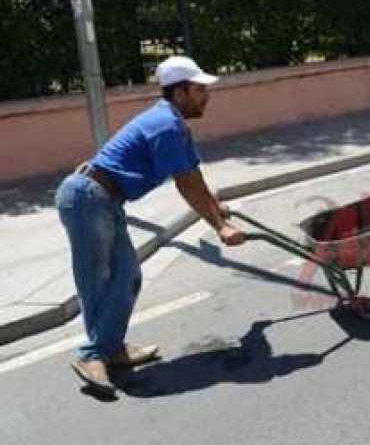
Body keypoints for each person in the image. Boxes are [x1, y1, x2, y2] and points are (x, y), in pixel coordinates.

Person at [55, 56, 247, 397]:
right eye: (200, 90)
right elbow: (185, 183)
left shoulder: (173, 123)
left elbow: (194, 175)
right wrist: (220, 227)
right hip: (88, 198)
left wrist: (217, 210)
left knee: (127, 276)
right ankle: (94, 354)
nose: (207, 96)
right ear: (180, 92)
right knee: (96, 279)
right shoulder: (166, 126)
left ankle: (110, 348)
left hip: (104, 199)